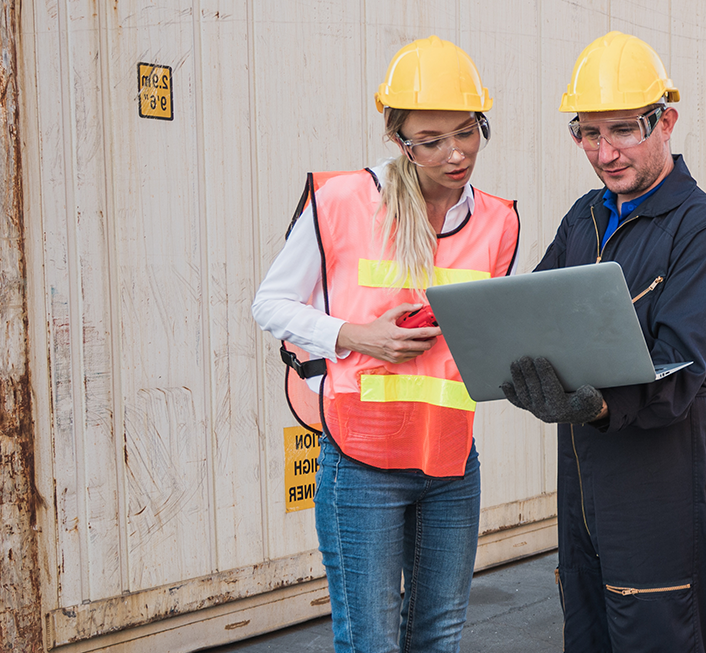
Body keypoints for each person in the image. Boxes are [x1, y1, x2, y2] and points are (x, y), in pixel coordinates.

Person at [250, 36, 519, 653]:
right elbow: (271, 303)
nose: (455, 154)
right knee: (370, 641)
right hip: (362, 460)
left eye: (467, 132)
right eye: (431, 141)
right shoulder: (344, 202)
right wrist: (354, 335)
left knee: (439, 636)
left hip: (451, 460)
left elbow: (482, 339)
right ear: (398, 141)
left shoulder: (499, 221)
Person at [498, 31, 706, 653]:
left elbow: (683, 367)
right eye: (588, 132)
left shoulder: (702, 228)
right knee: (586, 618)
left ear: (666, 121)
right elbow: (534, 310)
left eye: (623, 130)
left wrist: (602, 405)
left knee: (657, 623)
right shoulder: (584, 217)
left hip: (665, 463)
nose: (604, 153)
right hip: (584, 461)